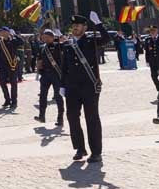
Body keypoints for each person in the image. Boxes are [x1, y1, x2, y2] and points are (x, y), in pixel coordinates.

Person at [61, 12, 108, 164]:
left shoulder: (91, 40)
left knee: (91, 118)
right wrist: (62, 85)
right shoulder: (68, 44)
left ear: (85, 27)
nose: (75, 28)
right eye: (73, 26)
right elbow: (64, 67)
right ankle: (80, 148)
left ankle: (96, 152)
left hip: (89, 85)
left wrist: (99, 24)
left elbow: (107, 39)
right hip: (72, 87)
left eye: (78, 26)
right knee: (72, 117)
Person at [34, 27, 65, 127]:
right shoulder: (42, 47)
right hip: (45, 75)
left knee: (58, 97)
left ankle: (60, 119)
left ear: (52, 37)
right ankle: (41, 116)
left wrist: (60, 37)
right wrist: (38, 66)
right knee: (43, 96)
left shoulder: (58, 46)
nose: (45, 39)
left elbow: (66, 43)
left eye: (47, 37)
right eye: (44, 37)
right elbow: (39, 59)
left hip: (56, 74)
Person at [0, 27, 21, 110]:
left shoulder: (13, 40)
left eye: (2, 31)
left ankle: (14, 101)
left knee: (13, 84)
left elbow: (22, 42)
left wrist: (14, 35)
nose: (0, 33)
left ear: (7, 32)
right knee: (2, 83)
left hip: (12, 65)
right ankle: (7, 99)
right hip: (3, 66)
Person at [139, 25, 159, 103]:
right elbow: (147, 52)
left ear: (157, 31)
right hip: (153, 62)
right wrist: (147, 61)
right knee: (154, 76)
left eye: (154, 31)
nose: (152, 32)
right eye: (151, 31)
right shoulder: (148, 40)